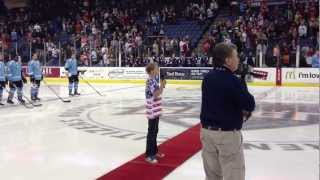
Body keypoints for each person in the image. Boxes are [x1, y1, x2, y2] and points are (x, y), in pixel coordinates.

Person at [200, 43, 255, 180]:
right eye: (236, 56)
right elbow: (249, 103)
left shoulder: (208, 78)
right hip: (227, 135)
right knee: (234, 175)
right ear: (227, 60)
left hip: (207, 134)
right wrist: (242, 81)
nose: (238, 60)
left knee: (212, 176)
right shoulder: (233, 81)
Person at [145, 63, 166, 164]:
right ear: (152, 70)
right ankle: (149, 155)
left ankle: (154, 151)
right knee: (151, 132)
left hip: (155, 108)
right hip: (152, 109)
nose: (158, 70)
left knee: (155, 130)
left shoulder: (154, 80)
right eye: (157, 68)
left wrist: (161, 86)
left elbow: (158, 93)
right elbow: (156, 93)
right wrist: (162, 85)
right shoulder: (150, 81)